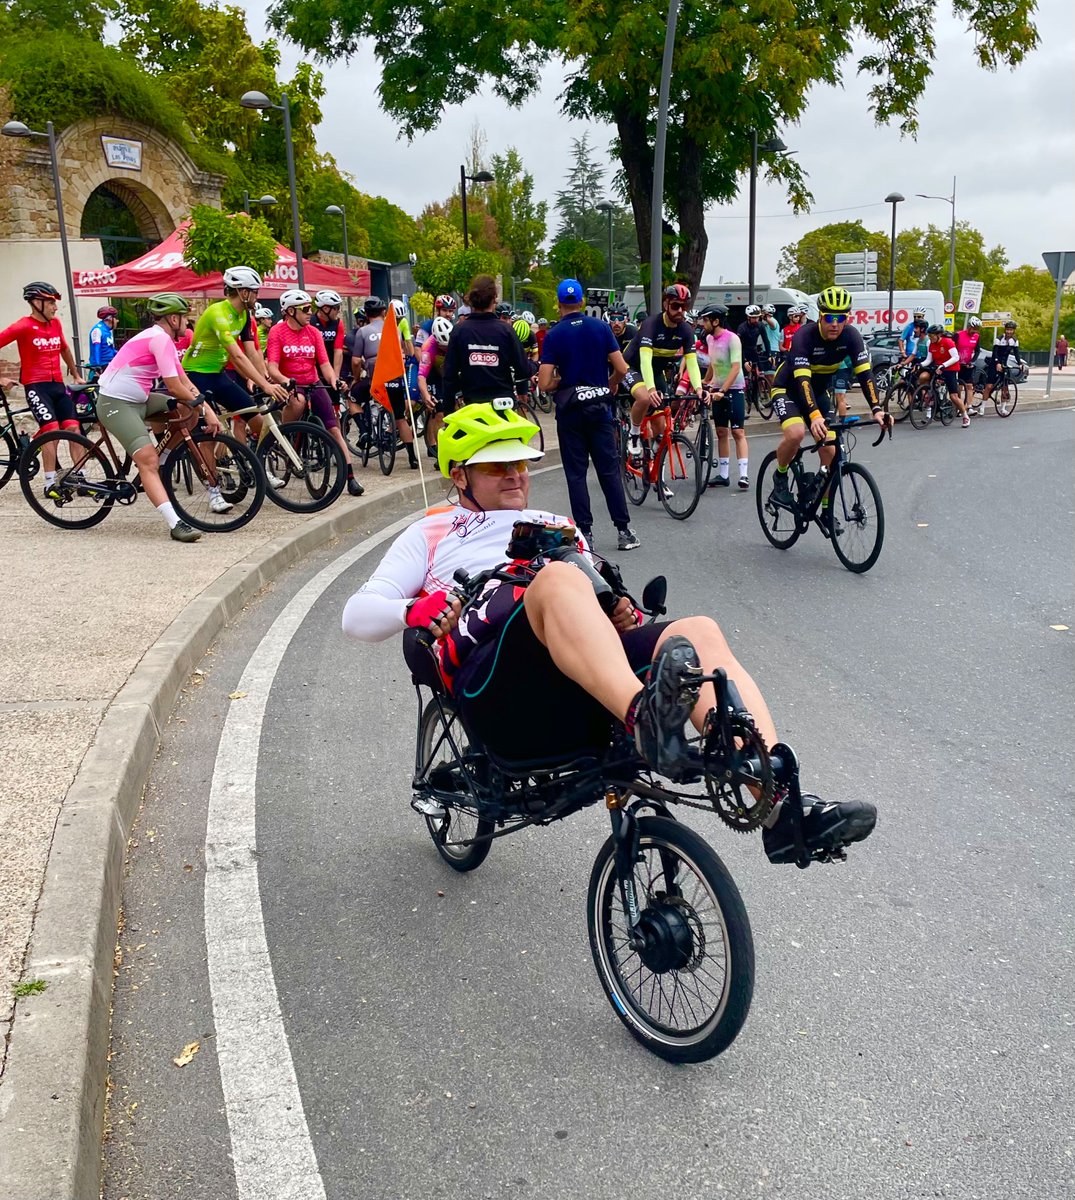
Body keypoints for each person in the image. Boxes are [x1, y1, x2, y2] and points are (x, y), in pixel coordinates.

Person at [341, 402, 877, 864]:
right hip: (494, 676)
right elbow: (357, 614)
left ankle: (778, 801)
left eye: (522, 465)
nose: (516, 476)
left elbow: (598, 589)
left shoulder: (555, 523)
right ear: (460, 476)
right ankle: (645, 718)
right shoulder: (431, 531)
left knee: (696, 632)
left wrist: (622, 610)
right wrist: (412, 609)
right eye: (497, 467)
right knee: (553, 579)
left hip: (578, 665)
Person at [95, 293, 226, 541]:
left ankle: (163, 460)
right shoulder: (158, 339)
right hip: (116, 403)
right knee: (147, 460)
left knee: (186, 412)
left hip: (141, 399)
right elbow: (175, 387)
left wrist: (205, 410)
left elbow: (185, 382)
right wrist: (205, 411)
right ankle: (176, 524)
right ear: (173, 318)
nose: (187, 324)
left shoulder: (164, 340)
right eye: (185, 319)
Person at [768, 286, 884, 531]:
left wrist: (877, 409)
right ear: (820, 316)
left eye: (841, 318)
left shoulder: (851, 337)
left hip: (819, 393)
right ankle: (780, 475)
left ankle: (825, 509)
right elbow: (802, 381)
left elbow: (866, 375)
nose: (835, 323)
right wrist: (814, 416)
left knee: (831, 452)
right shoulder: (804, 336)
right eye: (830, 317)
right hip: (788, 388)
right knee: (797, 433)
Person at [536, 277, 640, 552]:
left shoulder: (555, 334)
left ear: (559, 305)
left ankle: (586, 533)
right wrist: (611, 382)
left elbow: (544, 382)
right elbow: (621, 367)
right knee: (608, 470)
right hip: (599, 408)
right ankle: (624, 530)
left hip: (571, 412)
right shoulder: (601, 328)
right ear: (581, 302)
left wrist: (564, 381)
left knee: (576, 474)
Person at [265, 289, 364, 495]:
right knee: (298, 403)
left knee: (334, 428)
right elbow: (272, 367)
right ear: (291, 311)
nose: (310, 313)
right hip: (291, 383)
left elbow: (325, 364)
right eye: (306, 309)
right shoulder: (277, 332)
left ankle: (350, 477)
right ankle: (287, 436)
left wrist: (334, 380)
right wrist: (285, 381)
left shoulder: (313, 332)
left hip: (313, 381)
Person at [182, 266, 289, 440]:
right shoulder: (218, 314)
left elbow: (252, 352)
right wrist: (265, 385)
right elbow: (237, 356)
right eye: (255, 292)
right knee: (210, 435)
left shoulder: (245, 315)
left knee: (258, 421)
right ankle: (211, 468)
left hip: (217, 375)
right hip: (195, 375)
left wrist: (266, 377)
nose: (258, 296)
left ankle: (255, 462)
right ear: (243, 293)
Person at [0, 281, 87, 491]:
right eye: (51, 303)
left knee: (75, 430)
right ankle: (50, 483)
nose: (55, 307)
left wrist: (75, 374)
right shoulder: (22, 326)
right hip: (36, 387)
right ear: (36, 303)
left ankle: (81, 478)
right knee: (51, 431)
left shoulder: (55, 324)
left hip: (57, 386)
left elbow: (64, 349)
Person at [622, 284, 702, 458]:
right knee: (644, 398)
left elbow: (692, 363)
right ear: (666, 305)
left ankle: (656, 469)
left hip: (655, 372)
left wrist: (698, 389)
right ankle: (634, 434)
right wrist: (650, 389)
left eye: (684, 306)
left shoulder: (686, 331)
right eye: (675, 306)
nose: (680, 310)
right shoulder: (651, 324)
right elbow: (644, 360)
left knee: (662, 423)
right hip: (631, 367)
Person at [441, 274, 530, 407]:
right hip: (502, 406)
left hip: (472, 406)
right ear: (494, 299)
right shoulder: (506, 331)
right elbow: (522, 369)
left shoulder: (459, 331)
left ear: (471, 298)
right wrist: (522, 390)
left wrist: (448, 410)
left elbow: (449, 374)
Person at [351, 296, 419, 469]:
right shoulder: (394, 330)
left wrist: (356, 379)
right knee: (400, 418)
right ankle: (412, 457)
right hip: (394, 379)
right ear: (383, 312)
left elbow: (356, 361)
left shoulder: (363, 332)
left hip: (374, 380)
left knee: (352, 399)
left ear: (366, 314)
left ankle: (364, 432)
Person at [697, 304, 748, 490]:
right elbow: (713, 362)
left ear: (716, 321)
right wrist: (705, 381)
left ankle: (743, 475)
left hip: (733, 389)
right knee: (721, 432)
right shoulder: (709, 339)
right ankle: (724, 475)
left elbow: (736, 367)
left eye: (705, 320)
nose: (703, 324)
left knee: (738, 432)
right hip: (717, 388)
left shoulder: (733, 339)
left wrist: (723, 391)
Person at [417, 315, 453, 457]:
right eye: (443, 346)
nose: (445, 348)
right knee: (439, 413)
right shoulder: (428, 347)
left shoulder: (454, 338)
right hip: (432, 373)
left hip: (446, 370)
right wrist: (426, 396)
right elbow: (421, 377)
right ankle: (440, 451)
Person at [918, 324, 968, 426]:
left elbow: (956, 357)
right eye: (929, 336)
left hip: (950, 368)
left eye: (932, 336)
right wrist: (920, 365)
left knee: (953, 396)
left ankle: (965, 415)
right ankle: (929, 412)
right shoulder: (931, 344)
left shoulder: (948, 342)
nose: (930, 338)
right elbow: (929, 360)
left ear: (939, 335)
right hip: (938, 368)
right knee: (928, 388)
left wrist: (943, 365)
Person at [979, 320, 1021, 410]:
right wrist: (997, 363)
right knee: (989, 386)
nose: (1009, 332)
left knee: (1004, 388)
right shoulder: (999, 339)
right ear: (1005, 330)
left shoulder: (1014, 341)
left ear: (1014, 331)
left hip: (1004, 364)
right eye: (1008, 330)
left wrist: (1020, 364)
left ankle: (1003, 408)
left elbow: (1017, 354)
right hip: (994, 363)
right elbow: (995, 353)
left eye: (1011, 330)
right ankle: (982, 407)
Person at [736, 304, 769, 395]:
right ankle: (745, 394)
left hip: (753, 350)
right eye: (753, 318)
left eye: (757, 317)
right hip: (743, 350)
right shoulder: (742, 328)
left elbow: (766, 340)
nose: (756, 320)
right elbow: (738, 346)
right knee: (746, 374)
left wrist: (769, 355)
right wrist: (744, 361)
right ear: (748, 317)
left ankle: (758, 394)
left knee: (760, 373)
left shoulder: (760, 325)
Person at [311, 291, 346, 377]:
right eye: (336, 308)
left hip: (331, 365)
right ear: (326, 309)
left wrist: (336, 375)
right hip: (314, 369)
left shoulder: (338, 323)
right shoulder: (310, 322)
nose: (338, 311)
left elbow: (338, 350)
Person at [954, 316, 982, 415]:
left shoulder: (976, 336)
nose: (974, 331)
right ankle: (958, 406)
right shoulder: (958, 335)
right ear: (969, 326)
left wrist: (973, 361)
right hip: (957, 363)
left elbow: (977, 351)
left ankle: (969, 407)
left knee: (969, 386)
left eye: (976, 329)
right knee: (959, 386)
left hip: (968, 364)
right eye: (973, 328)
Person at [88, 305, 119, 376]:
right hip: (101, 366)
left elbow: (110, 349)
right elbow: (96, 348)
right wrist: (97, 366)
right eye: (115, 318)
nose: (117, 321)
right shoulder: (98, 330)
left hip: (109, 364)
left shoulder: (107, 331)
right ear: (110, 318)